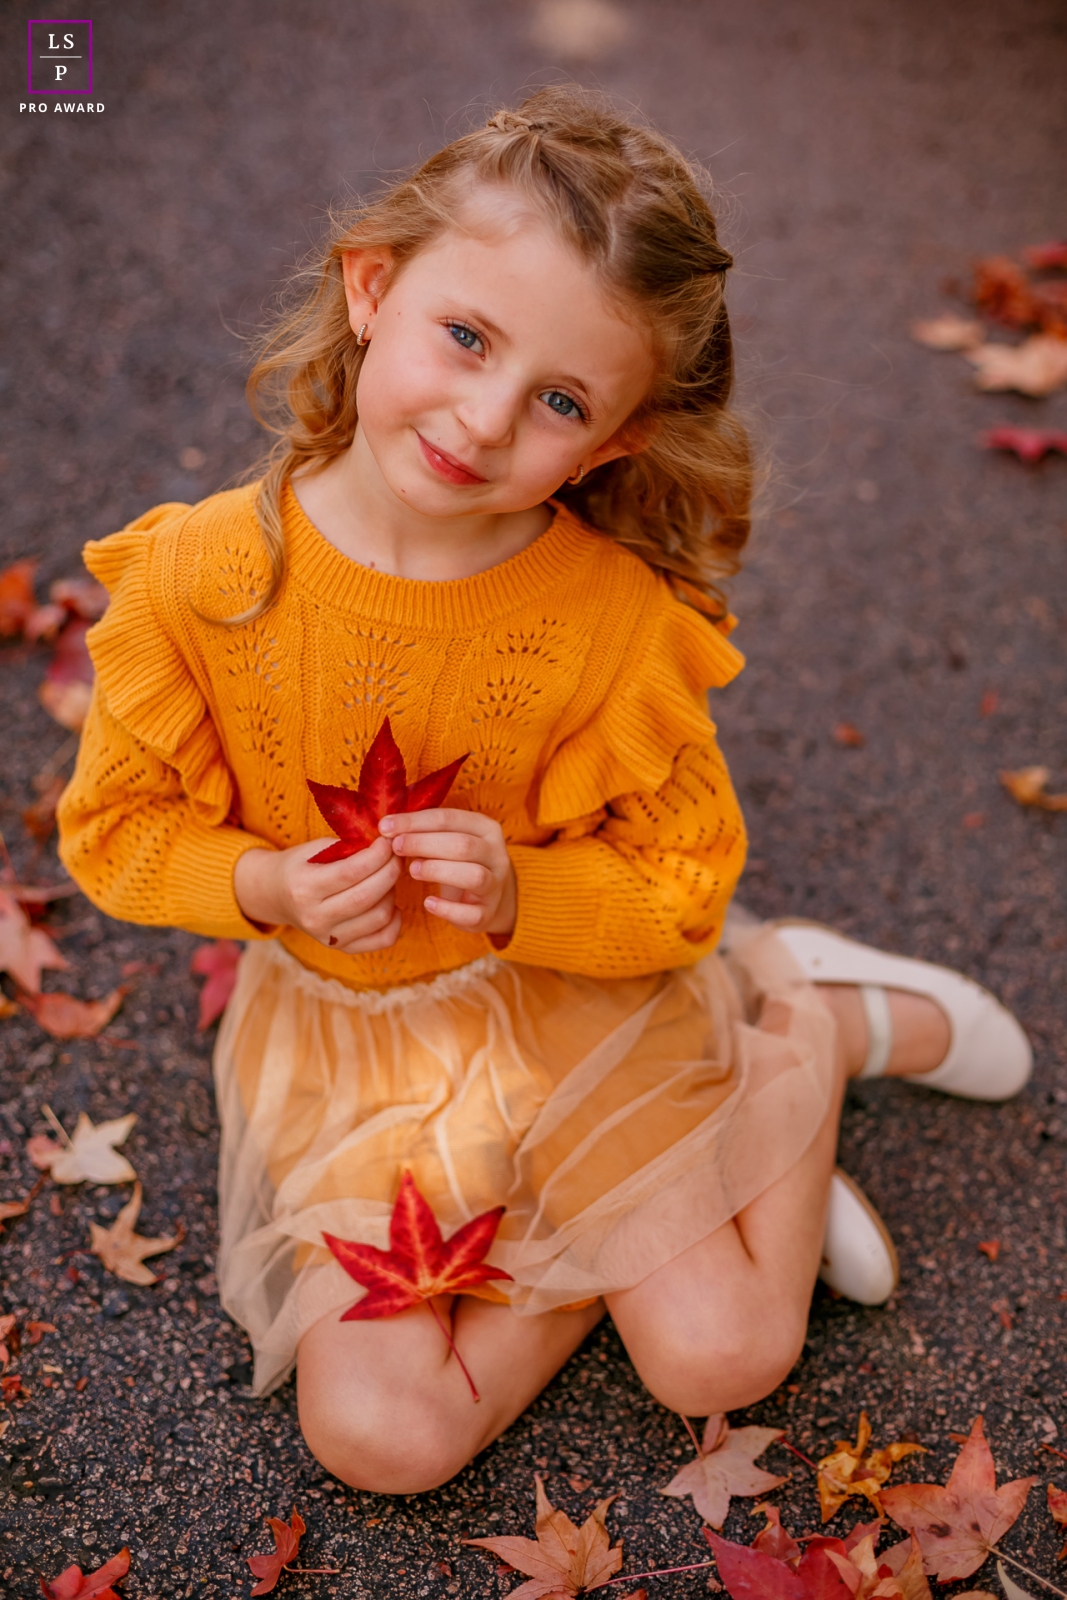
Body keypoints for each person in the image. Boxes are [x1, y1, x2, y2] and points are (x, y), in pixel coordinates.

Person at [57, 88, 1031, 1495]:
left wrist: (525, 887)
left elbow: (681, 878)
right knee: (385, 1438)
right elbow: (117, 833)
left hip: (581, 1005)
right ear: (374, 286)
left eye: (559, 400)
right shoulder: (204, 580)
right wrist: (260, 883)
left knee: (717, 1359)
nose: (483, 416)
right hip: (359, 1056)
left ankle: (804, 1024)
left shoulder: (608, 621)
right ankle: (729, 1184)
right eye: (466, 335)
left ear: (613, 444)